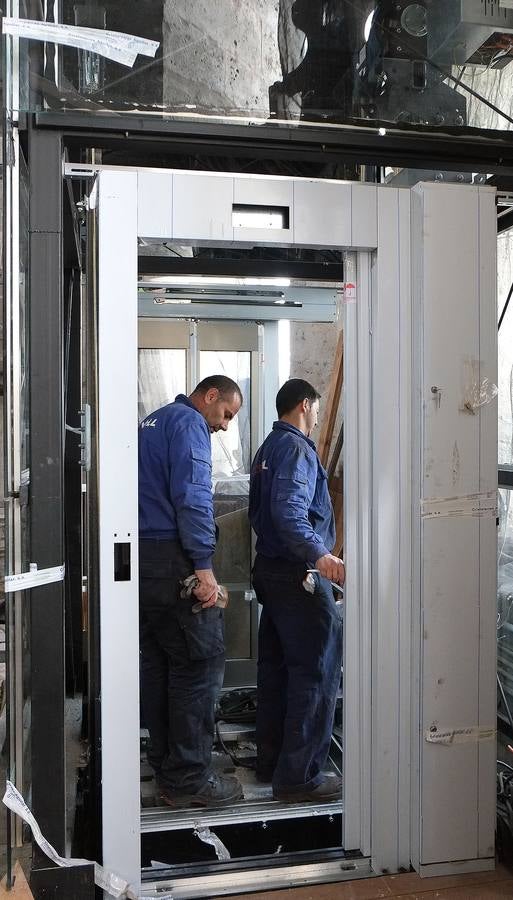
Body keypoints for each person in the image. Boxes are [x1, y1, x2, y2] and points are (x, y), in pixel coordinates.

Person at [138, 375, 244, 808]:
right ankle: (188, 782)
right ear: (211, 396)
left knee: (162, 666)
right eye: (226, 414)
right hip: (173, 559)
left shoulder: (154, 421)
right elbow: (194, 498)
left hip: (141, 561)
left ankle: (166, 768)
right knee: (199, 666)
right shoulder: (188, 425)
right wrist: (204, 567)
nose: (224, 425)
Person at [249, 378, 345, 802]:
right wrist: (319, 555)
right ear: (305, 405)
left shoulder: (269, 446)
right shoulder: (295, 449)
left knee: (278, 669)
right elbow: (289, 511)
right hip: (298, 574)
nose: (319, 418)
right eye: (319, 411)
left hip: (271, 572)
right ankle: (300, 777)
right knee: (316, 671)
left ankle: (271, 762)